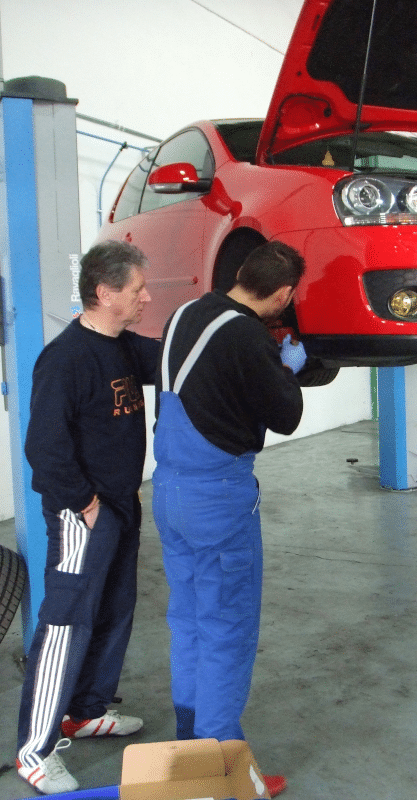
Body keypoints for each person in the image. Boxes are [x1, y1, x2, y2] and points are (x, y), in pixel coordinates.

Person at [152, 240, 306, 797]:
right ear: (285, 294)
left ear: (241, 274)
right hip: (219, 497)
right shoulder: (247, 336)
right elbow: (286, 416)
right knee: (227, 631)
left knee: (188, 621)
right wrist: (286, 367)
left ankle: (189, 748)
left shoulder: (185, 313)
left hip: (169, 490)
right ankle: (221, 771)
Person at [16, 240, 160, 795]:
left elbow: (175, 355)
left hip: (122, 505)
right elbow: (44, 448)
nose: (146, 297)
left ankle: (85, 710)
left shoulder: (124, 347)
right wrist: (87, 505)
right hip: (85, 514)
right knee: (64, 626)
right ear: (104, 293)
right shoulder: (67, 358)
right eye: (137, 290)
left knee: (115, 609)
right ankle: (35, 750)